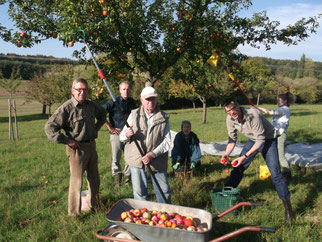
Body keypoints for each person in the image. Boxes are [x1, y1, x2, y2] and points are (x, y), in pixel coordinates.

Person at [221, 99, 294, 223]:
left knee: (276, 174)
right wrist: (226, 154)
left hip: (268, 139)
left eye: (233, 109)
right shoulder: (230, 119)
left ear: (238, 106)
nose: (231, 113)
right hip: (252, 140)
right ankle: (225, 197)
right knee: (238, 168)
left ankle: (289, 210)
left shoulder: (253, 114)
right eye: (228, 111)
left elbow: (260, 140)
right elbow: (232, 139)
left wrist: (244, 156)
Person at [44, 78, 107, 216]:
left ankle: (95, 206)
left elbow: (103, 114)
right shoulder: (66, 108)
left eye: (85, 89)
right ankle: (74, 214)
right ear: (72, 91)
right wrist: (66, 140)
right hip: (76, 150)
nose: (82, 92)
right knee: (76, 182)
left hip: (91, 146)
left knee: (94, 179)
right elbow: (49, 127)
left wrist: (96, 129)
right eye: (79, 89)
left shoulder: (91, 105)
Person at [120, 86, 171, 203]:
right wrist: (127, 134)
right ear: (141, 100)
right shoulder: (134, 115)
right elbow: (121, 137)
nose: (150, 102)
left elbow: (167, 141)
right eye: (147, 99)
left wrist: (152, 154)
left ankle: (166, 215)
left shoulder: (163, 117)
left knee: (164, 192)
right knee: (140, 194)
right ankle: (142, 218)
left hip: (157, 159)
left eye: (153, 98)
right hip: (137, 159)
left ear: (156, 100)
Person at [102, 81, 137, 187]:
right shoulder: (113, 101)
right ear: (119, 90)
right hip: (116, 134)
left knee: (129, 158)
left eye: (128, 89)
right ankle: (117, 180)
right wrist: (110, 127)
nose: (126, 91)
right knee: (116, 157)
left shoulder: (132, 102)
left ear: (130, 90)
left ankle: (127, 179)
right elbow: (100, 113)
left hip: (129, 134)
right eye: (123, 89)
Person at [257, 92, 294, 183]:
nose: (277, 102)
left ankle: (287, 174)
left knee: (281, 155)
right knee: (275, 154)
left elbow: (269, 112)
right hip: (275, 133)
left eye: (279, 100)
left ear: (285, 101)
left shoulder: (285, 109)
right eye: (277, 100)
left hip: (281, 134)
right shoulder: (282, 109)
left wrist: (258, 108)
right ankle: (277, 173)